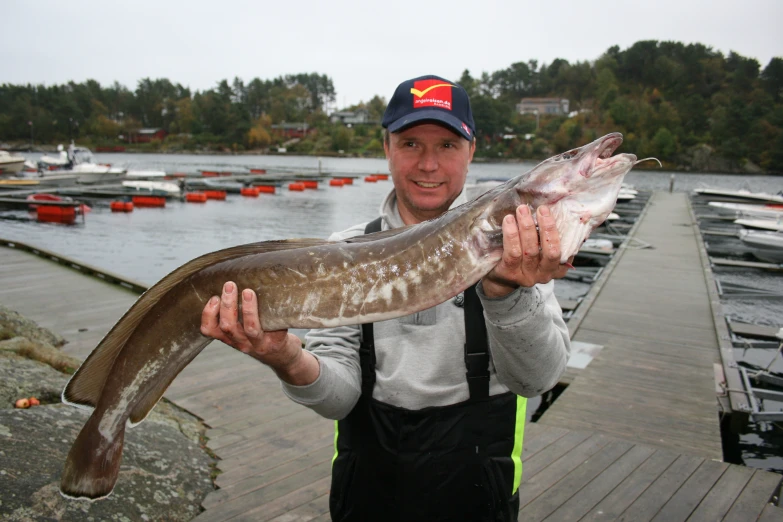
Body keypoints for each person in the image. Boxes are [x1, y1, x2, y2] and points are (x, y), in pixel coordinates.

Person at [200, 74, 571, 521]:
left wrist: (507, 293)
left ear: (472, 151)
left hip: (478, 497)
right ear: (387, 148)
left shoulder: (515, 241)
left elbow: (537, 380)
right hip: (367, 496)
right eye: (411, 143)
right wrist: (285, 357)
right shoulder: (344, 253)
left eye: (448, 145)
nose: (428, 164)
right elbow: (338, 400)